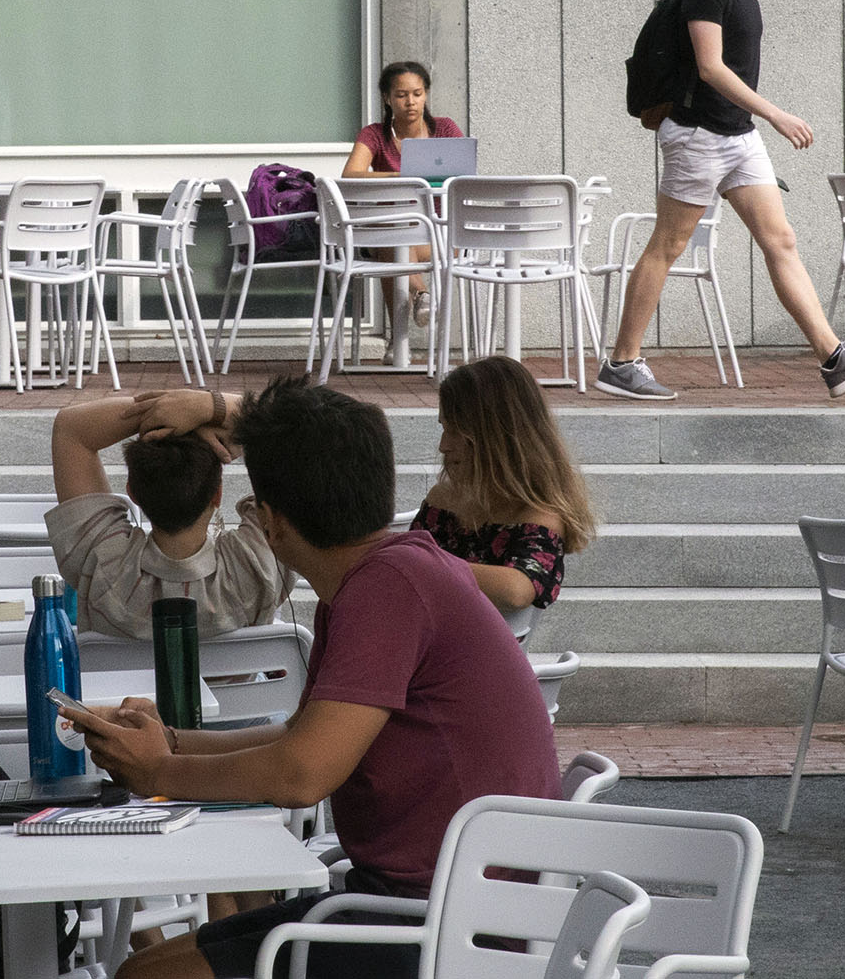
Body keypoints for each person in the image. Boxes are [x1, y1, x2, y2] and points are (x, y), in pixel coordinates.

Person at [67, 376, 559, 979]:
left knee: (145, 976)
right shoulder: (391, 571)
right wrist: (171, 740)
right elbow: (300, 735)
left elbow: (302, 773)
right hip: (443, 907)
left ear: (270, 523)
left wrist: (162, 771)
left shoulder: (388, 588)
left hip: (450, 927)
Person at [597, 0, 845, 402]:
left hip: (738, 135)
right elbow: (710, 67)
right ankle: (622, 362)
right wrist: (776, 113)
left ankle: (832, 357)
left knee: (780, 240)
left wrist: (757, 120)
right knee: (667, 246)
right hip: (697, 135)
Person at [44, 392, 290, 639]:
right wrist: (207, 407)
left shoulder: (102, 561)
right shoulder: (256, 563)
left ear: (133, 494)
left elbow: (71, 428)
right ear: (218, 494)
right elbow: (296, 428)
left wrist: (167, 412)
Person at [416, 356, 595, 615]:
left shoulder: (541, 518)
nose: (443, 445)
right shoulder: (443, 502)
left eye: (455, 430)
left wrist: (423, 565)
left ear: (495, 439)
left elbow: (517, 589)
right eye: (444, 428)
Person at [342, 61, 463, 324]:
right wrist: (400, 176)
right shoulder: (374, 134)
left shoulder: (445, 130)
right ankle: (422, 293)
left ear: (426, 95)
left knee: (392, 243)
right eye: (401, 95)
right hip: (392, 230)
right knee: (393, 238)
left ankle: (398, 340)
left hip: (439, 235)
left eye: (417, 94)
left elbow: (463, 177)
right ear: (387, 98)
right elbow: (350, 175)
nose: (411, 102)